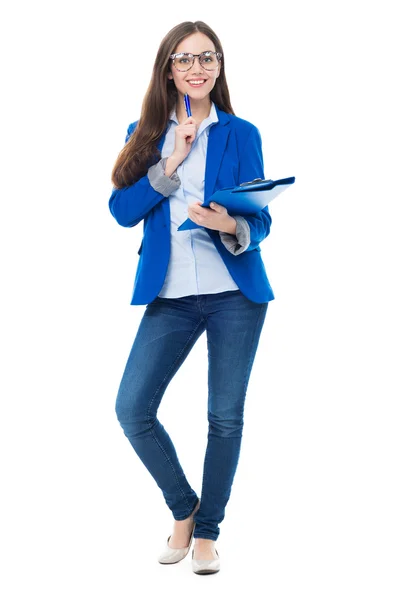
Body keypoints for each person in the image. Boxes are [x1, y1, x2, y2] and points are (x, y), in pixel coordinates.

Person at [108, 20, 275, 575]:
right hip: (171, 295)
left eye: (207, 57)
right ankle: (184, 509)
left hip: (236, 294)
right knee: (132, 408)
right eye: (184, 59)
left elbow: (262, 218)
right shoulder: (147, 130)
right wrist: (172, 160)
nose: (196, 68)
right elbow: (123, 212)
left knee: (224, 417)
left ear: (219, 66)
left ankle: (207, 534)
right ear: (169, 70)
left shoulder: (241, 133)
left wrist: (232, 224)